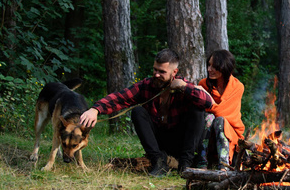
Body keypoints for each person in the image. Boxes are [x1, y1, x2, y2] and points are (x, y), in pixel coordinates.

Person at [80, 49, 212, 177]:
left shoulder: (184, 86)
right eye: (155, 69)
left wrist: (184, 87)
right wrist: (95, 109)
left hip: (182, 142)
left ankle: (185, 165)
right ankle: (158, 162)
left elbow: (207, 102)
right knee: (138, 111)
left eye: (162, 72)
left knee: (197, 110)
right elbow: (121, 97)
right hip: (160, 142)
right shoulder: (147, 86)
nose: (156, 74)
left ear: (174, 72)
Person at [196, 49, 245, 170]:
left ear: (224, 67)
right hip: (207, 133)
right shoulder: (204, 84)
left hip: (230, 131)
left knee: (220, 120)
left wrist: (210, 101)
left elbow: (221, 112)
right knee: (209, 117)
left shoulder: (237, 86)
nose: (209, 69)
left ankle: (224, 165)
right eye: (209, 65)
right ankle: (202, 162)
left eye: (214, 66)